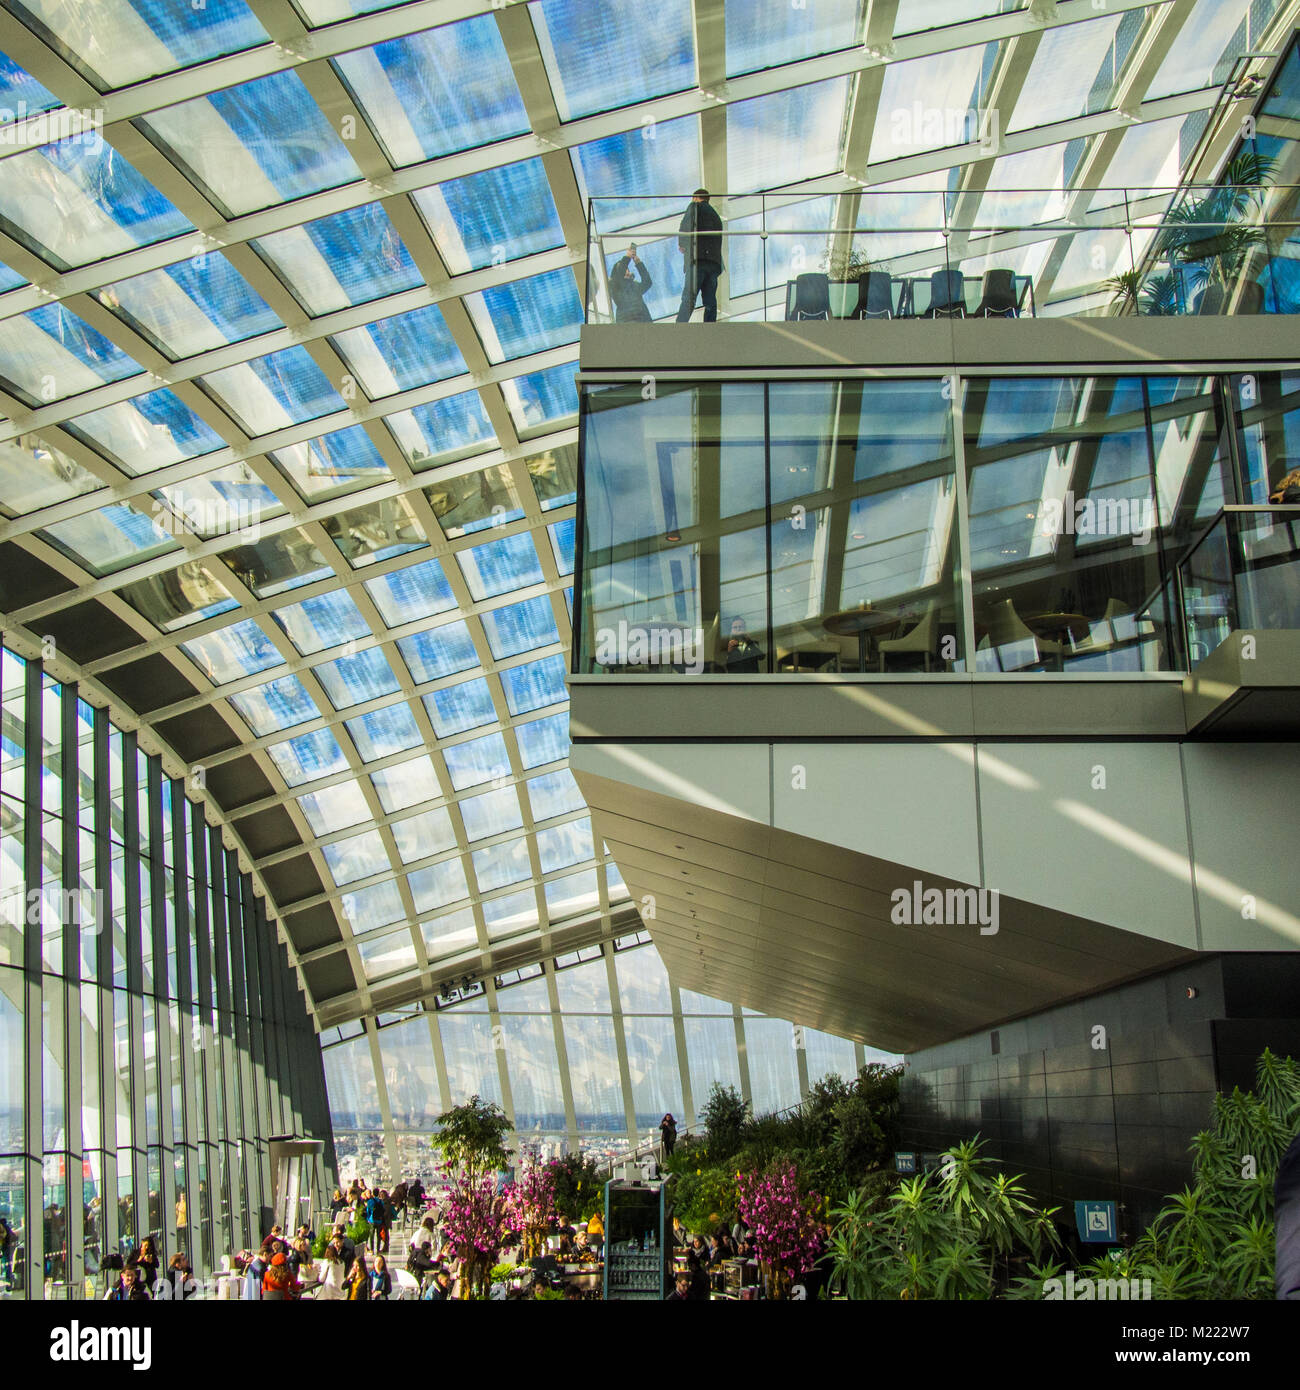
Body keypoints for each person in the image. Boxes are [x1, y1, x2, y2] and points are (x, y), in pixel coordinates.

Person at [676, 189, 724, 323]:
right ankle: (710, 327)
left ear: (696, 197)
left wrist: (682, 243)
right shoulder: (716, 216)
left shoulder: (694, 207)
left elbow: (685, 225)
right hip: (713, 263)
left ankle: (679, 326)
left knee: (689, 297)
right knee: (710, 300)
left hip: (697, 260)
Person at [609, 244, 654, 322]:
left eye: (627, 268)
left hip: (643, 321)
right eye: (624, 268)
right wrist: (627, 257)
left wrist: (638, 263)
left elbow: (647, 283)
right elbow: (620, 273)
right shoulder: (615, 287)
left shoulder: (634, 285)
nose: (626, 269)